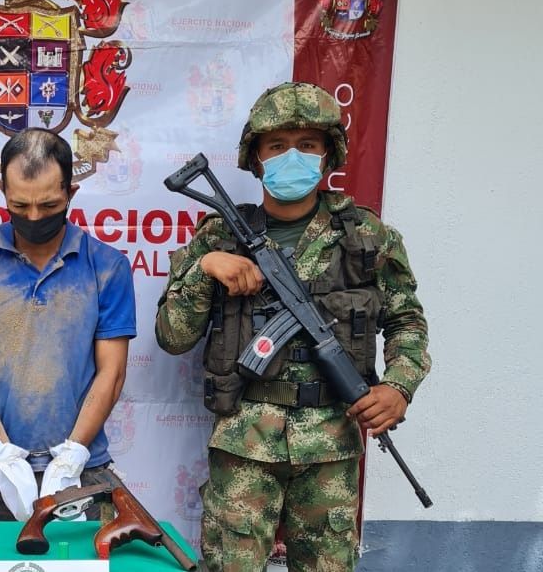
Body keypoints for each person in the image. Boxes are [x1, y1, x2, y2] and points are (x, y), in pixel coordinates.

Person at [155, 82, 431, 572]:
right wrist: (206, 269)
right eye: (277, 145)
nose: (292, 157)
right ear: (256, 157)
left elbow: (407, 321)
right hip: (244, 444)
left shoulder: (367, 236)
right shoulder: (219, 235)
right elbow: (172, 337)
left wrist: (399, 387)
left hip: (331, 444)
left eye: (307, 145)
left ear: (329, 155)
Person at [0, 128, 137, 521]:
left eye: (48, 206)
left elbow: (111, 373)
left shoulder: (108, 267)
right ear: (3, 192)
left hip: (82, 470)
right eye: (20, 205)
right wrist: (1, 452)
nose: (33, 217)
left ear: (70, 194)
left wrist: (72, 456)